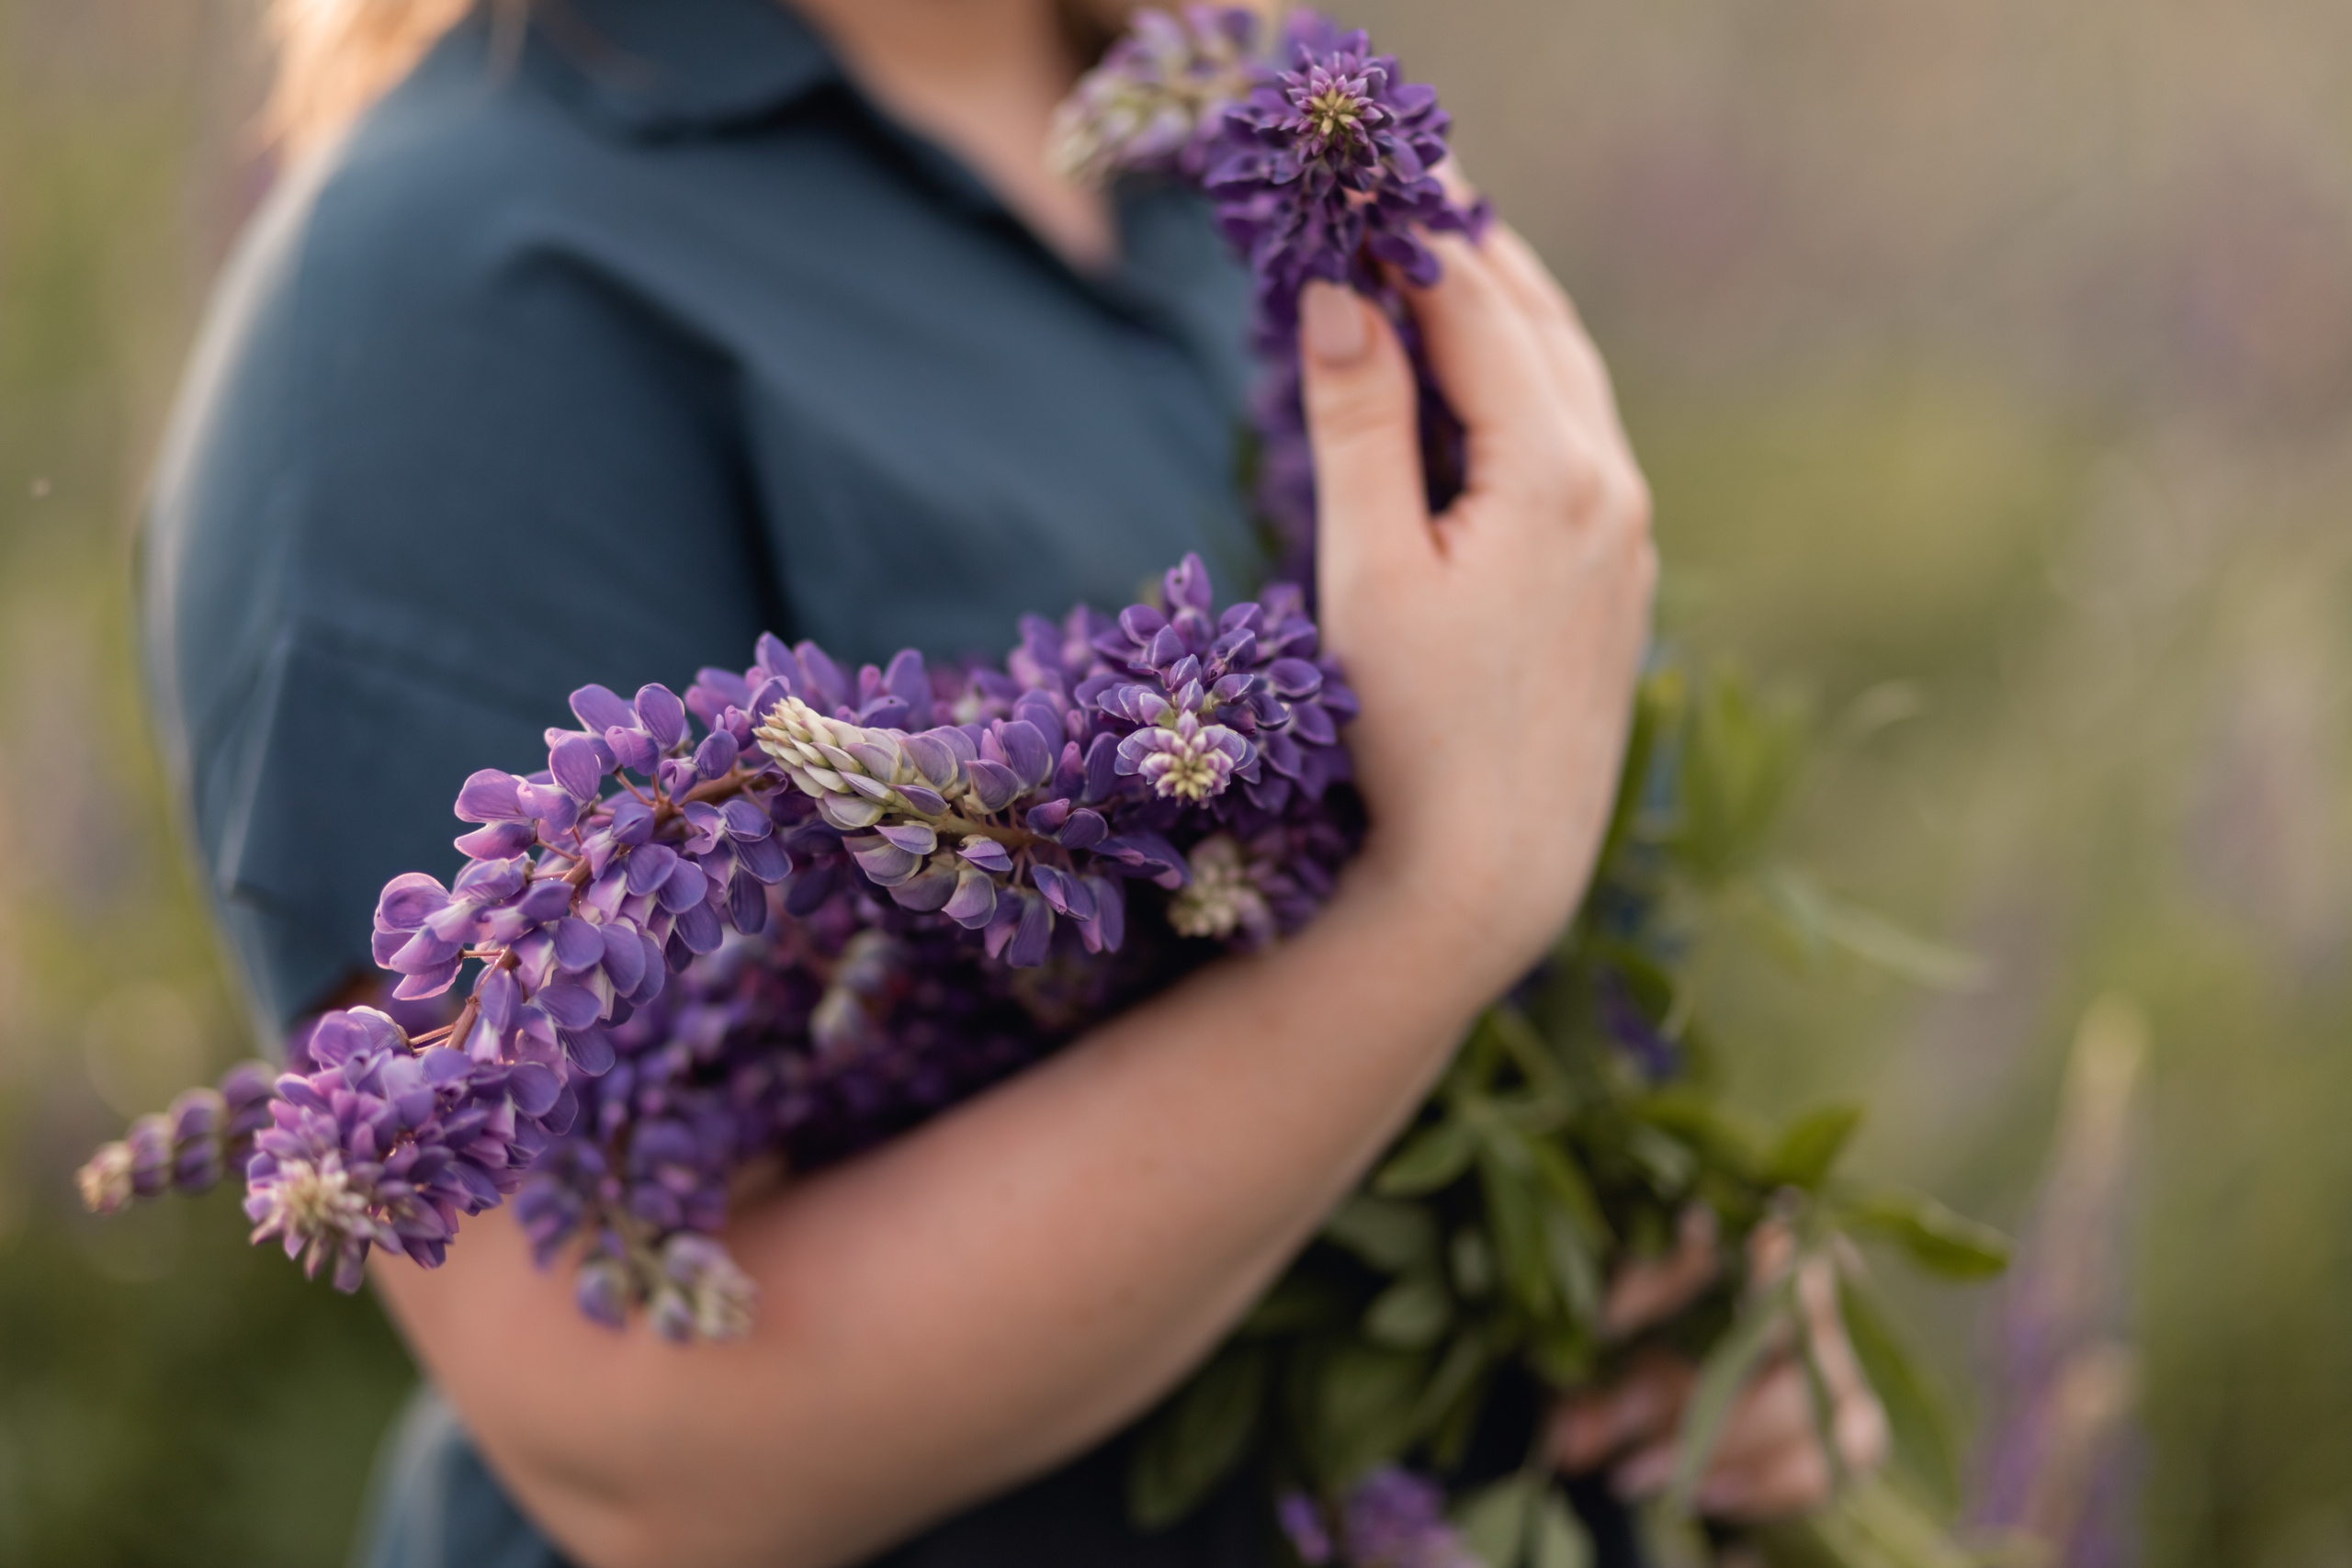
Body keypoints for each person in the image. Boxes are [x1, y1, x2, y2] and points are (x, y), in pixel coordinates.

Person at [141, 1, 1879, 1563]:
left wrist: (1696, 1287)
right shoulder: (430, 286)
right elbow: (640, 1448)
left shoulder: (1248, 116)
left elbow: (1546, 809)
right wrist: (1442, 910)